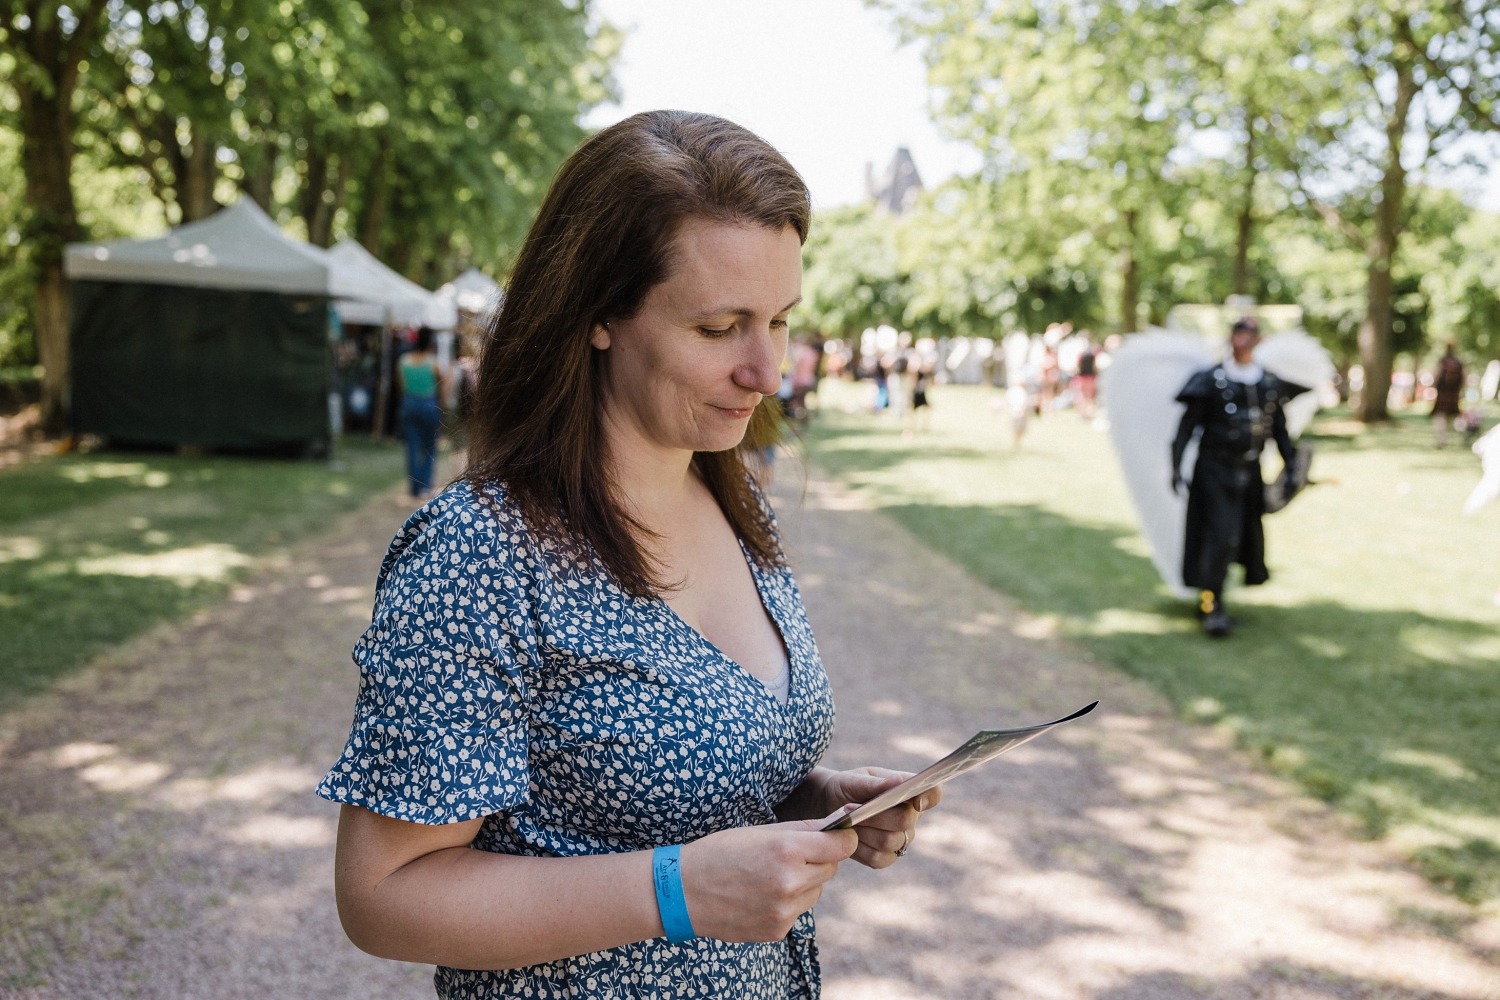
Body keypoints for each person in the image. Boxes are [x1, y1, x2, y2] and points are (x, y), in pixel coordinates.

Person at [317, 110, 940, 999]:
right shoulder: (480, 553)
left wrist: (816, 802)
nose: (767, 371)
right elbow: (382, 896)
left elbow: (690, 774)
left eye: (780, 321)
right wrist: (674, 892)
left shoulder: (732, 497)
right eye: (721, 327)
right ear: (600, 314)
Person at [1170, 316, 1308, 637]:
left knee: (1239, 539)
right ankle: (1211, 605)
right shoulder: (1211, 379)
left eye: (1249, 334)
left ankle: (1214, 597)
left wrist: (1292, 468)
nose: (1242, 340)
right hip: (1214, 471)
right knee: (1219, 537)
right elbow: (1187, 427)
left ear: (1258, 340)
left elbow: (1280, 432)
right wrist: (1175, 466)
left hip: (1249, 471)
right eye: (1238, 333)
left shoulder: (1267, 383)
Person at [396, 325, 446, 499]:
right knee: (429, 446)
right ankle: (425, 486)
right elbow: (442, 383)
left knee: (411, 446)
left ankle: (414, 487)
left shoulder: (404, 361)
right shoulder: (433, 362)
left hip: (409, 404)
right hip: (429, 405)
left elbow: (401, 387)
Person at [1430, 342, 1465, 448]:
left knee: (1440, 415)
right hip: (1454, 392)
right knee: (1451, 415)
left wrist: (1433, 385)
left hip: (1443, 391)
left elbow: (1437, 374)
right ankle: (1459, 434)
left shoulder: (1443, 361)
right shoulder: (1459, 362)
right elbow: (1464, 377)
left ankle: (1442, 438)